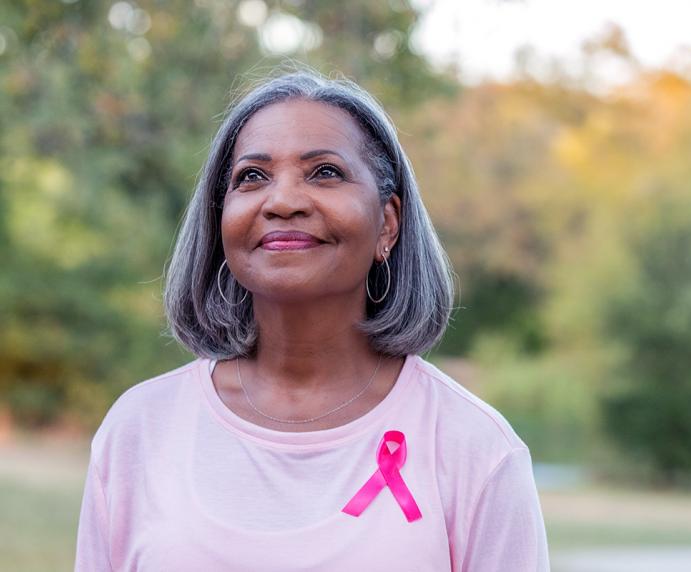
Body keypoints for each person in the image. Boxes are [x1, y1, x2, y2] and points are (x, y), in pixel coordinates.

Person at [74, 69, 550, 571]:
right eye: (251, 177)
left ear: (387, 223)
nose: (282, 202)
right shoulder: (140, 429)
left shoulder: (474, 447)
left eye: (324, 172)